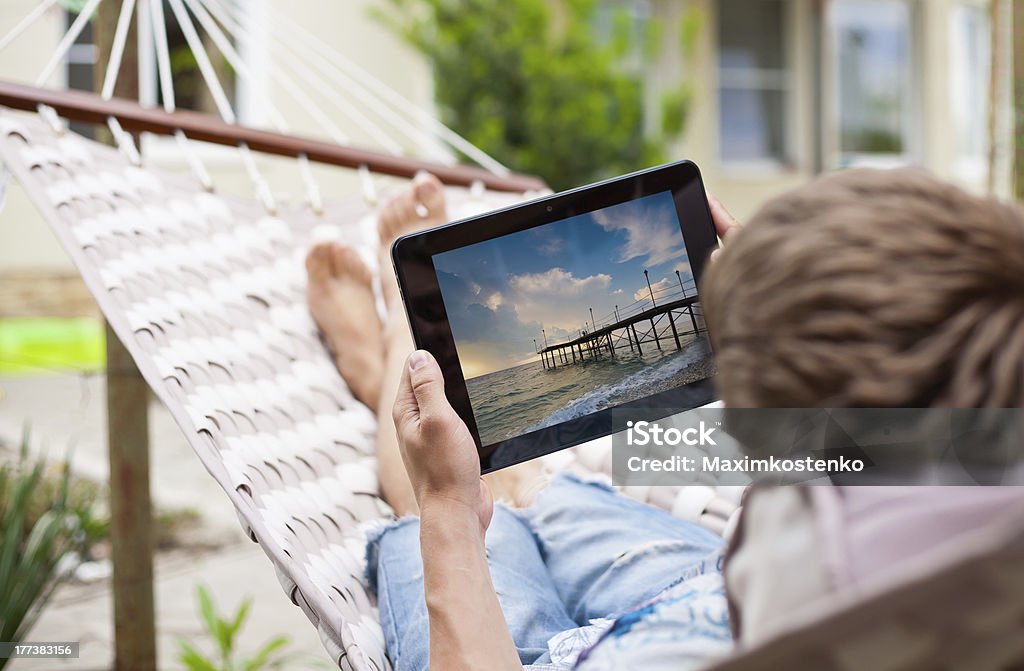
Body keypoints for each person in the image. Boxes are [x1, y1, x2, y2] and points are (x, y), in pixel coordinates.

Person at [305, 169, 1024, 670]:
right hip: (701, 596)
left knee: (458, 499)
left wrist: (445, 506)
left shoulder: (818, 560)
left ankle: (396, 358)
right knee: (543, 498)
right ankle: (464, 439)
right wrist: (784, 304)